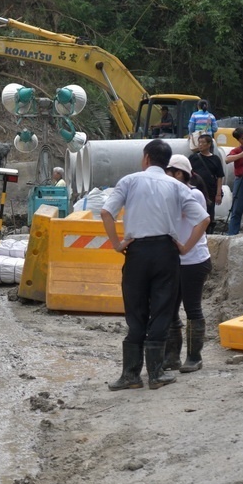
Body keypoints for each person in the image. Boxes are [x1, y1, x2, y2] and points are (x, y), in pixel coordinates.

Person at [101, 140, 209, 391]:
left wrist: (118, 244)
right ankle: (156, 373)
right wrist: (184, 247)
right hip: (166, 252)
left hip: (136, 251)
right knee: (162, 309)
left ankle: (130, 375)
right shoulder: (177, 186)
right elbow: (203, 220)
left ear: (146, 158)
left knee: (135, 308)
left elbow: (107, 212)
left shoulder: (129, 181)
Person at [162, 155, 212, 373]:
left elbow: (193, 220)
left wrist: (184, 248)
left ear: (179, 174)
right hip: (175, 260)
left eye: (168, 172)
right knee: (171, 309)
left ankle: (194, 357)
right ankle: (172, 357)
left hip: (193, 259)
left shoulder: (194, 194)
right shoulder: (171, 193)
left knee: (192, 308)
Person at [188, 133, 224, 234]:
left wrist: (218, 193)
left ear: (209, 144)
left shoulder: (215, 159)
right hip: (195, 190)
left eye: (203, 143)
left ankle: (208, 233)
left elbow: (219, 176)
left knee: (209, 212)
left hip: (210, 191)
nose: (200, 145)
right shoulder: (193, 158)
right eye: (199, 142)